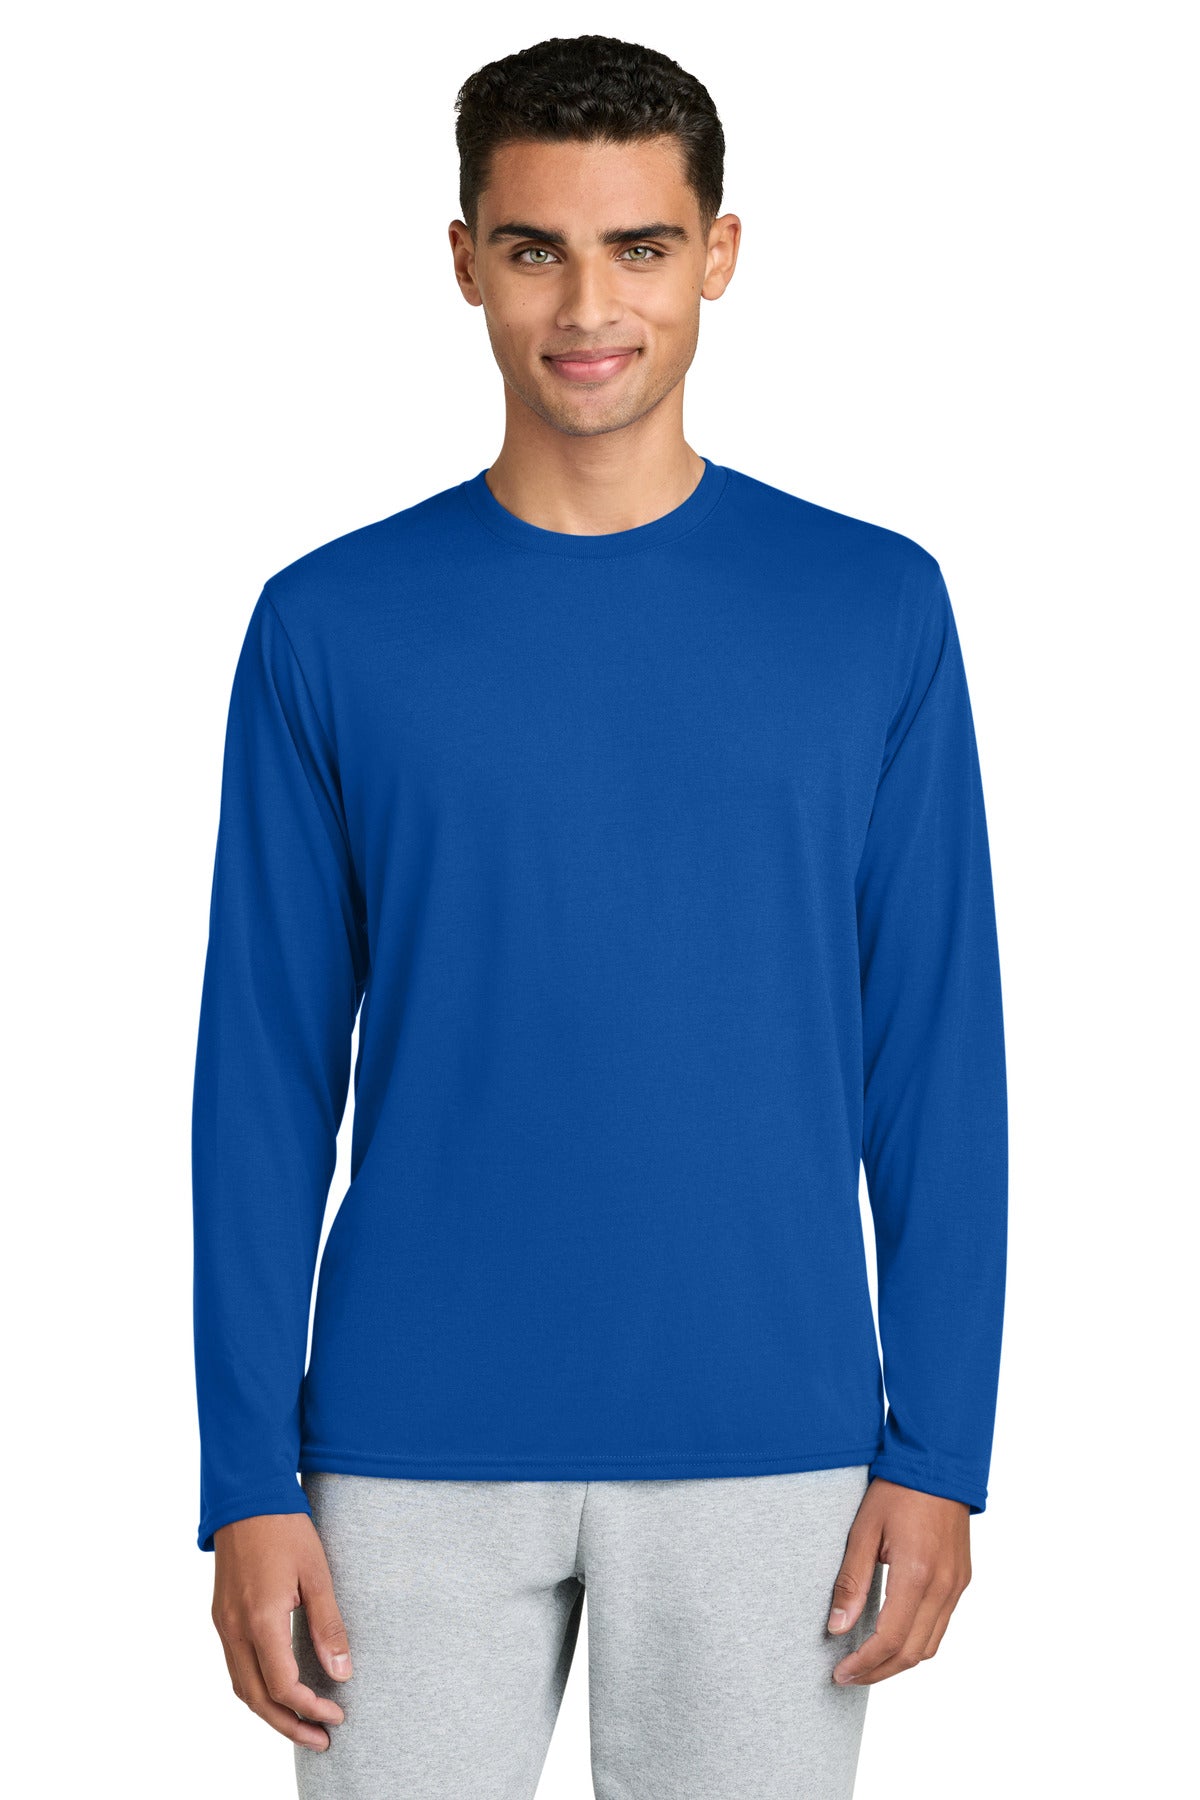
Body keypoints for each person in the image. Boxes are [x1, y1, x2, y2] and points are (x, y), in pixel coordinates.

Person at [191, 33, 1007, 1800]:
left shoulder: (872, 607)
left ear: (719, 253)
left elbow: (937, 1057)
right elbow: (260, 1078)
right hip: (401, 1449)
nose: (587, 306)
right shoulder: (329, 624)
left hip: (773, 1444)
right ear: (465, 260)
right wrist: (244, 1476)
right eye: (535, 248)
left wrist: (943, 1448)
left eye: (639, 246)